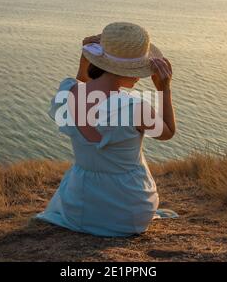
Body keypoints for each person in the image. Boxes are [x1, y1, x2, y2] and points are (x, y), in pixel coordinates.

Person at [35, 22, 176, 237]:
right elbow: (167, 133)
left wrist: (85, 61)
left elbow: (83, 83)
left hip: (79, 207)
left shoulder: (67, 93)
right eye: (140, 67)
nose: (141, 74)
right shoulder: (134, 108)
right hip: (129, 213)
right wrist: (164, 89)